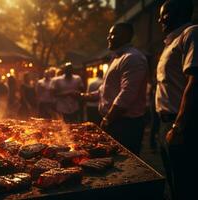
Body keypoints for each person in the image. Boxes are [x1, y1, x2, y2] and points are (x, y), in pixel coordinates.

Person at [81, 23, 148, 155]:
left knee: (126, 165)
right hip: (116, 122)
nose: (109, 37)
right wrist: (83, 96)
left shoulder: (132, 57)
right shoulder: (116, 58)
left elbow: (127, 93)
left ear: (126, 36)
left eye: (113, 34)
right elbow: (103, 91)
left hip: (125, 125)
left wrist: (108, 118)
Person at [155, 0, 198, 199]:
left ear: (180, 12)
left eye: (164, 14)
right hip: (167, 123)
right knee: (173, 182)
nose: (159, 19)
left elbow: (194, 82)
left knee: (185, 184)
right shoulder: (171, 42)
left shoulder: (191, 33)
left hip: (183, 125)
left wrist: (178, 126)